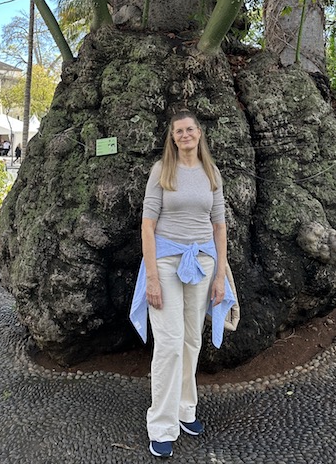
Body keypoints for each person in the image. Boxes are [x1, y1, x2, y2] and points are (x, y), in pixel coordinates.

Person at [129, 109, 235, 459]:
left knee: (191, 340)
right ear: (172, 137)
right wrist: (153, 279)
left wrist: (220, 273)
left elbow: (219, 225)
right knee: (170, 344)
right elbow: (147, 225)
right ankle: (161, 425)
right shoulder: (162, 171)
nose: (185, 135)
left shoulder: (211, 173)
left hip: (203, 262)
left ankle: (185, 410)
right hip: (166, 262)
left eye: (190, 129)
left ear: (200, 133)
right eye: (178, 131)